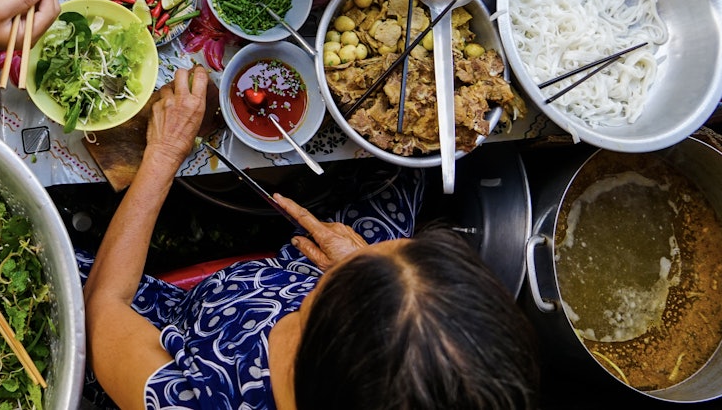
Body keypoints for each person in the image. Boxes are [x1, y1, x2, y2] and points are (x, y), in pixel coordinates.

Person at [82, 67, 539, 410]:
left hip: (166, 320)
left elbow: (103, 307)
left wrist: (162, 155)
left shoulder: (198, 397)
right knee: (402, 170)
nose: (366, 250)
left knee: (68, 282)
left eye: (365, 268)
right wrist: (357, 268)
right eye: (400, 253)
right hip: (301, 284)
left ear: (320, 334)